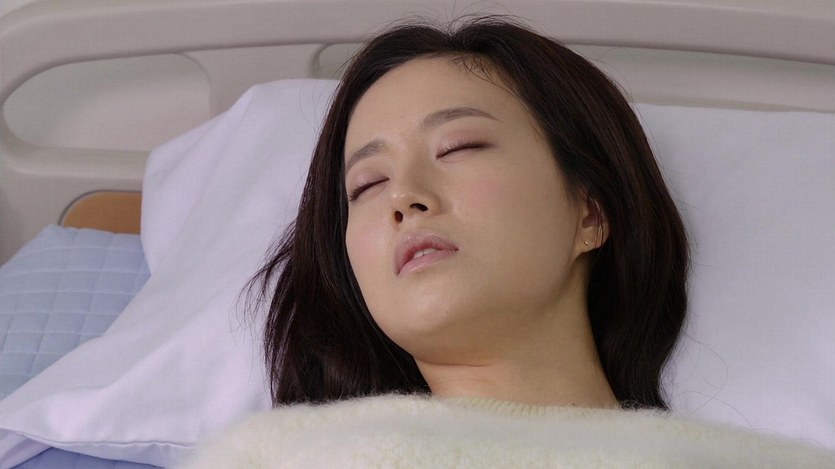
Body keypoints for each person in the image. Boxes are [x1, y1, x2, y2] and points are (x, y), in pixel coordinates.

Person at [179, 17, 835, 468]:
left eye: (459, 146)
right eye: (366, 184)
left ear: (591, 210)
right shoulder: (274, 457)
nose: (404, 196)